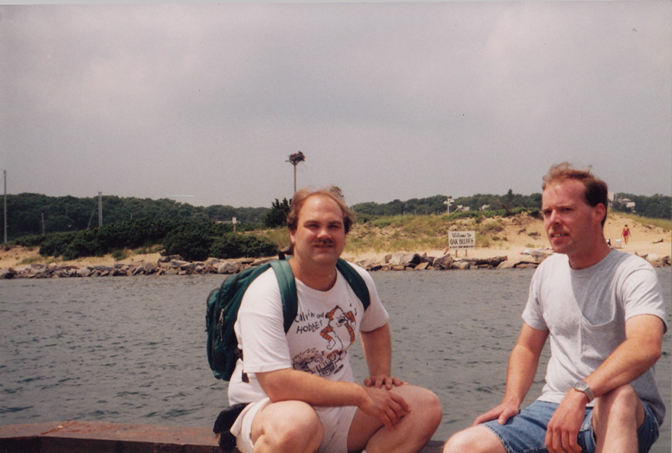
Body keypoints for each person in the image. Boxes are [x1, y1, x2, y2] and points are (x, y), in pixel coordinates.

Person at [444, 163, 666, 453]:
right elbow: (527, 347)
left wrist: (580, 394)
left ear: (598, 212)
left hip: (624, 414)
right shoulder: (547, 272)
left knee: (618, 395)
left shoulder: (632, 273)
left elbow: (646, 345)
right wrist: (512, 399)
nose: (553, 220)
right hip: (552, 408)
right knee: (462, 446)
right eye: (547, 212)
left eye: (566, 210)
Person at [227, 186, 442, 453]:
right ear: (293, 234)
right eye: (313, 225)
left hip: (341, 412)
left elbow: (375, 326)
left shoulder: (357, 280)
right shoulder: (267, 291)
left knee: (424, 406)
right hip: (271, 411)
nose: (324, 234)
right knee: (297, 425)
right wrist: (360, 395)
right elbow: (278, 384)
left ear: (345, 234)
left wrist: (380, 377)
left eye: (334, 226)